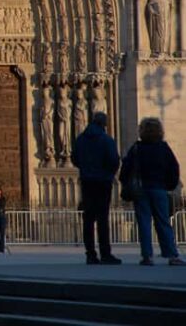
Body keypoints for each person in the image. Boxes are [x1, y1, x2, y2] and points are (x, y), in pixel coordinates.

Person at [119, 117, 185, 266]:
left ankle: (147, 256)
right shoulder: (163, 148)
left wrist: (127, 184)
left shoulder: (137, 148)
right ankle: (171, 255)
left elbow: (125, 169)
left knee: (144, 223)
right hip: (159, 188)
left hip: (141, 190)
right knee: (163, 222)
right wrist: (169, 185)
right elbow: (174, 168)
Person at [71, 112, 122, 265]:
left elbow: (74, 158)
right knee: (102, 219)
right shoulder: (107, 140)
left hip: (87, 181)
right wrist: (108, 173)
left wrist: (86, 169)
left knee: (88, 219)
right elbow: (114, 160)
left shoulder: (80, 140)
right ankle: (105, 253)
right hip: (103, 182)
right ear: (104, 124)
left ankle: (90, 254)